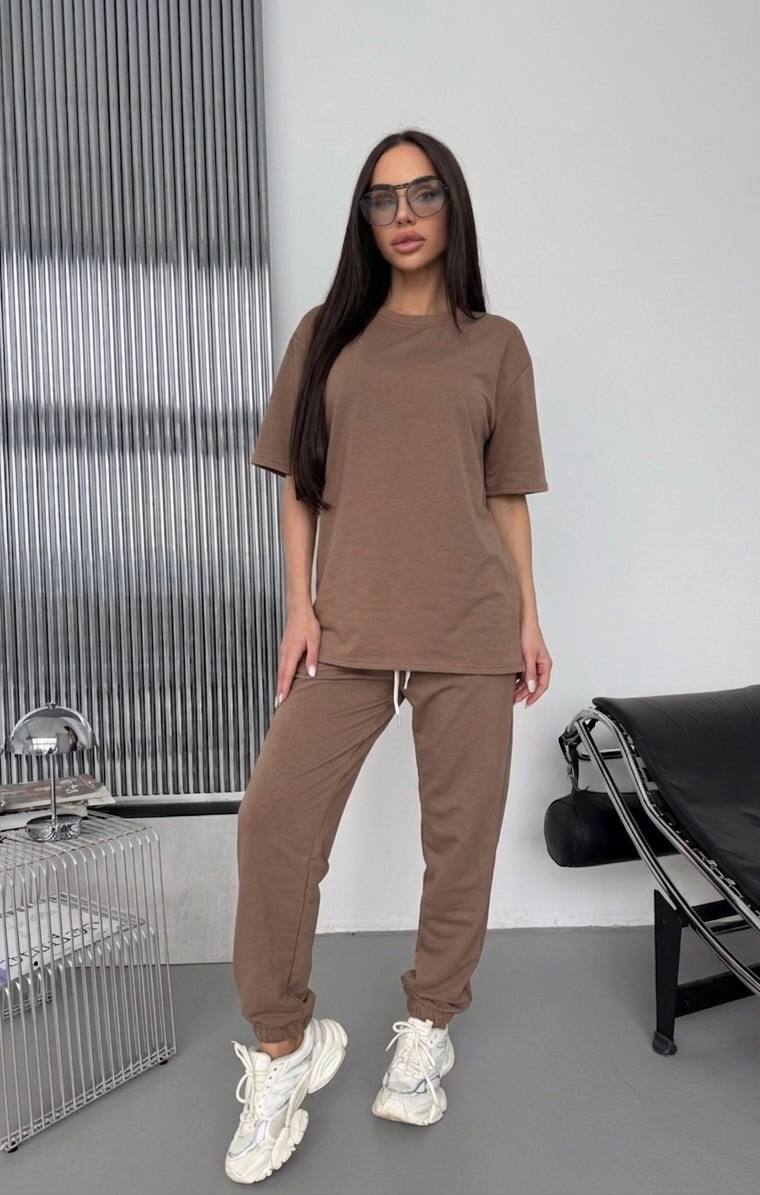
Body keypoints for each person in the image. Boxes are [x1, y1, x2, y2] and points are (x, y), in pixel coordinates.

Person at [225, 128, 552, 1185]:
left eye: (423, 194)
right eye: (382, 198)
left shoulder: (495, 344)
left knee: (458, 841)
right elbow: (299, 480)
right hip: (351, 622)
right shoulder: (327, 334)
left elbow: (505, 493)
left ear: (452, 207)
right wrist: (299, 607)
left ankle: (427, 1027)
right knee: (275, 819)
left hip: (470, 622)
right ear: (364, 218)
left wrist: (528, 617)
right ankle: (285, 1044)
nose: (403, 215)